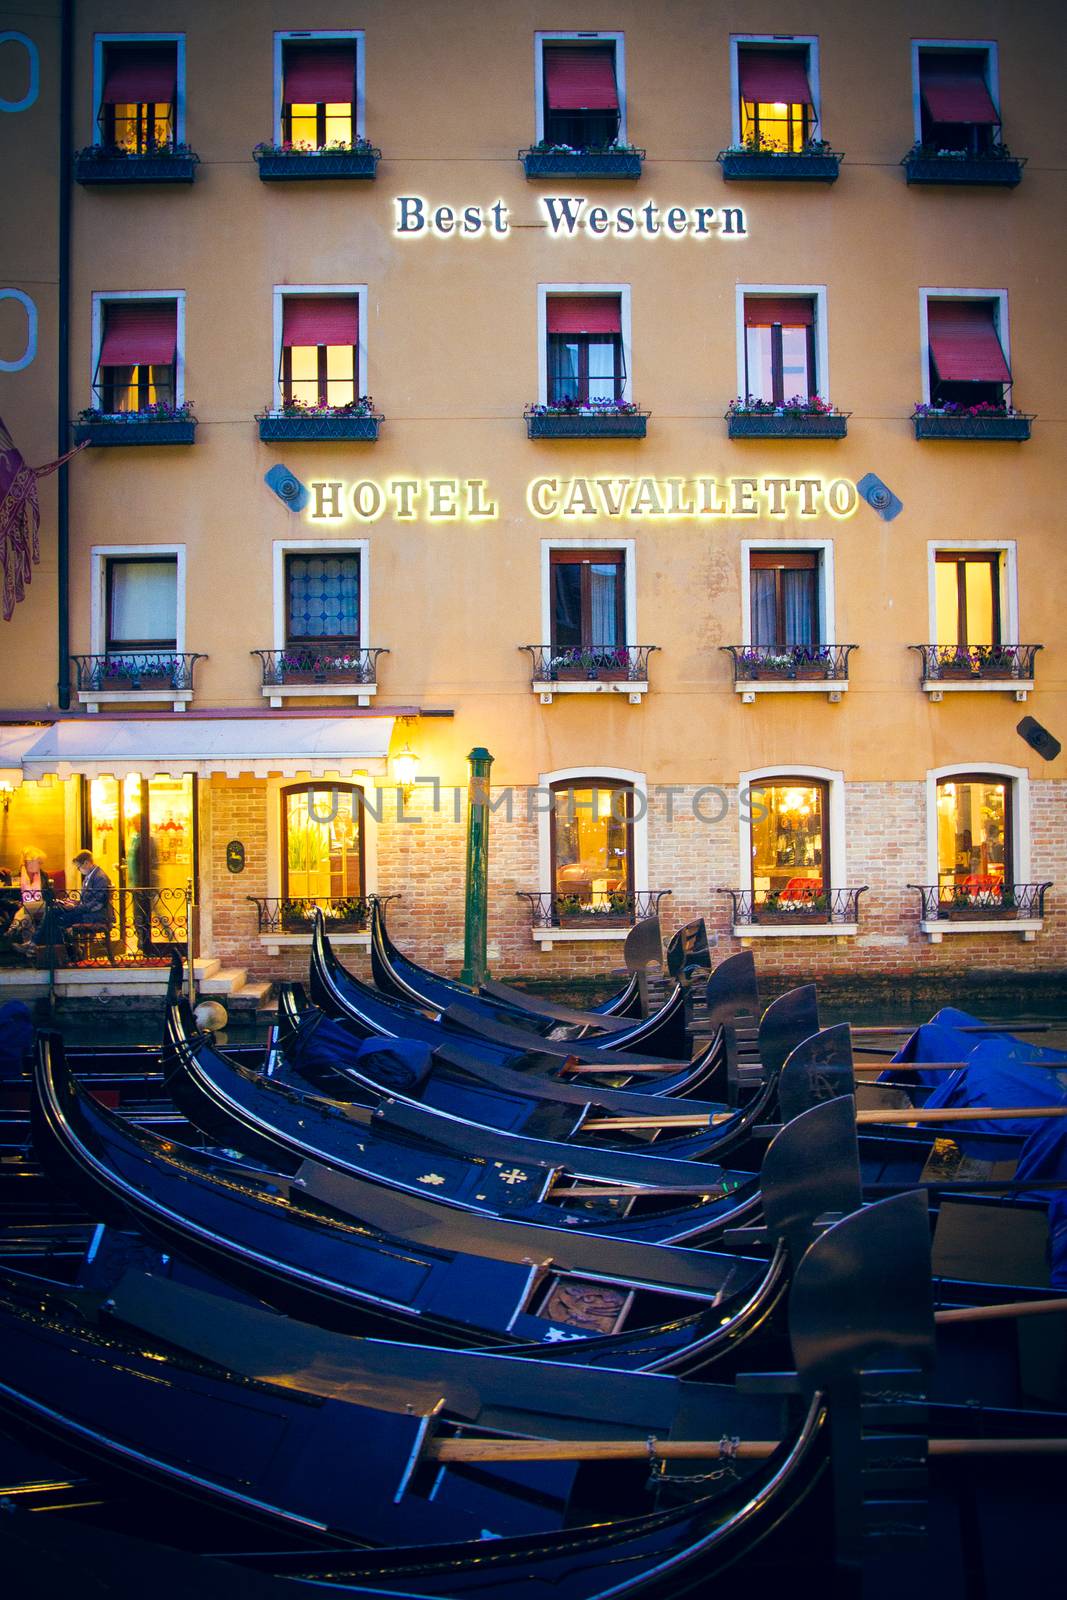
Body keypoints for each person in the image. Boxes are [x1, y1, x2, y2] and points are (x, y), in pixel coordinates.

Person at [34, 850, 114, 945]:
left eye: (78, 867)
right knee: (52, 912)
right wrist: (74, 903)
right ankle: (58, 950)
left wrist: (75, 907)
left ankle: (41, 946)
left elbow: (97, 904)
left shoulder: (99, 877)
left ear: (87, 863)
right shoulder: (91, 875)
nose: (78, 870)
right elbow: (88, 900)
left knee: (56, 917)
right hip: (89, 912)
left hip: (97, 916)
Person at [10, 847, 50, 945]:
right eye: (39, 862)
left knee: (28, 910)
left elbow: (48, 894)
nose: (41, 865)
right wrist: (16, 904)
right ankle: (30, 948)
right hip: (22, 906)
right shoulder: (16, 875)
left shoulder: (44, 875)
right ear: (29, 862)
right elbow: (8, 895)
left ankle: (15, 926)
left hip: (41, 907)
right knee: (28, 913)